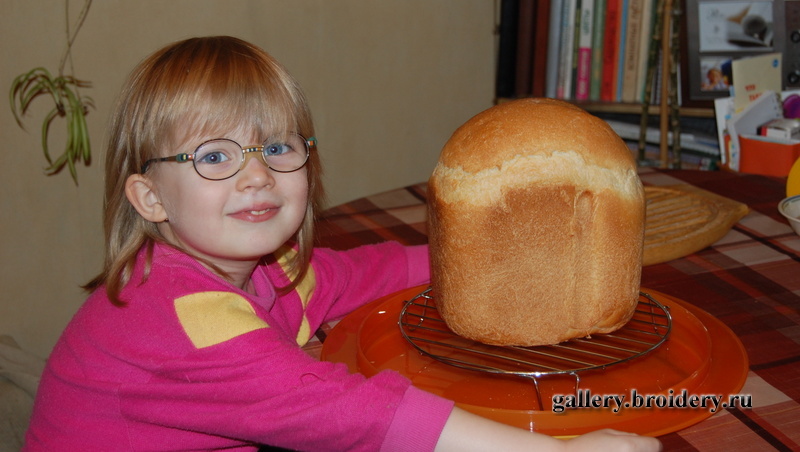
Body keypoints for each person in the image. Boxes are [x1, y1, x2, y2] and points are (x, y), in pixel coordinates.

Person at [24, 36, 661, 452]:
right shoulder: (179, 320)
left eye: (277, 147)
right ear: (150, 199)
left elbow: (360, 273)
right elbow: (351, 412)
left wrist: (488, 266)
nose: (257, 175)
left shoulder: (266, 271)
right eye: (214, 156)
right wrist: (554, 449)